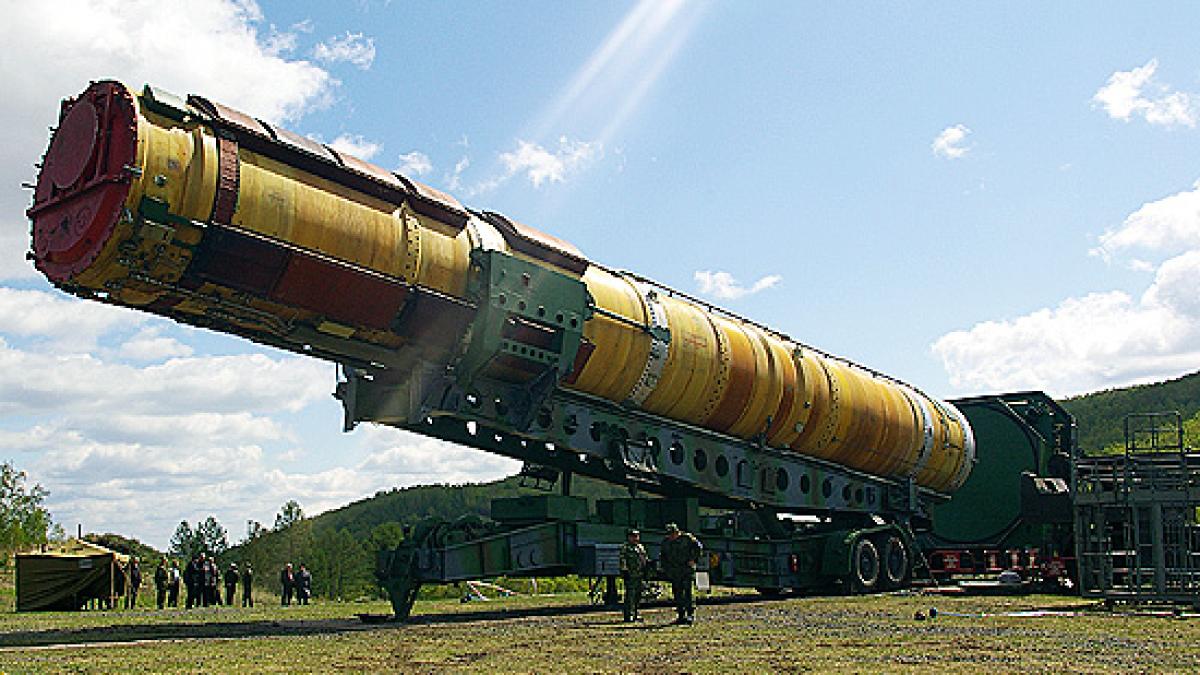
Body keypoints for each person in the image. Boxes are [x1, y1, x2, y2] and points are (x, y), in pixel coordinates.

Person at [659, 522, 702, 625]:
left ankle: (690, 614)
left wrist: (693, 560)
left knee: (688, 592)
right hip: (674, 571)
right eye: (669, 534)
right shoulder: (666, 542)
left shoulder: (687, 538)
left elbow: (698, 548)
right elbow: (663, 556)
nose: (671, 536)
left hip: (686, 570)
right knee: (677, 593)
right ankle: (681, 615)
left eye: (673, 533)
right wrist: (665, 568)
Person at [619, 529, 649, 622]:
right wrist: (624, 571)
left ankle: (635, 613)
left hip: (639, 574)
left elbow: (644, 559)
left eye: (637, 536)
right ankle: (628, 615)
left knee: (638, 596)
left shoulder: (640, 547)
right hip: (630, 575)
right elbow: (622, 560)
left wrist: (646, 569)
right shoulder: (626, 548)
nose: (635, 538)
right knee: (630, 596)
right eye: (633, 536)